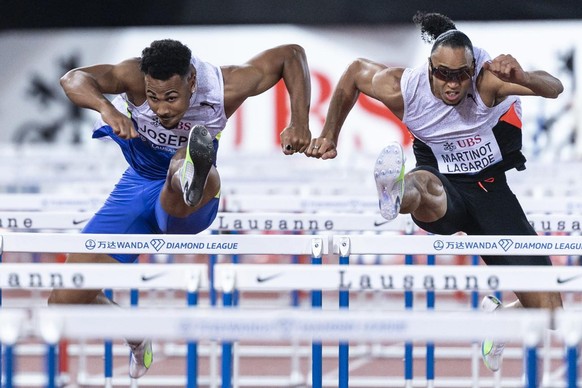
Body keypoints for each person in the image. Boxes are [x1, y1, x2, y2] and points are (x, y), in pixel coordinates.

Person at [306, 11, 564, 373]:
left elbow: (554, 88)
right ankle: (395, 192)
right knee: (422, 187)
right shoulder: (403, 87)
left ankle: (499, 318)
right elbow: (353, 74)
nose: (454, 84)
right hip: (441, 181)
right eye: (444, 74)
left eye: (461, 74)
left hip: (490, 191)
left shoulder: (487, 80)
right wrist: (330, 135)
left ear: (473, 69)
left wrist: (524, 77)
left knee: (552, 312)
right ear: (429, 67)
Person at [48, 39, 312, 378]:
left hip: (192, 204)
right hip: (137, 188)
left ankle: (190, 171)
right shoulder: (131, 75)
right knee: (63, 300)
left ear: (191, 81)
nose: (161, 109)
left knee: (180, 166)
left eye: (171, 98)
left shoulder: (226, 86)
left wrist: (299, 121)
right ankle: (132, 326)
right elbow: (72, 79)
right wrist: (107, 108)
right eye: (153, 97)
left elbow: (291, 55)